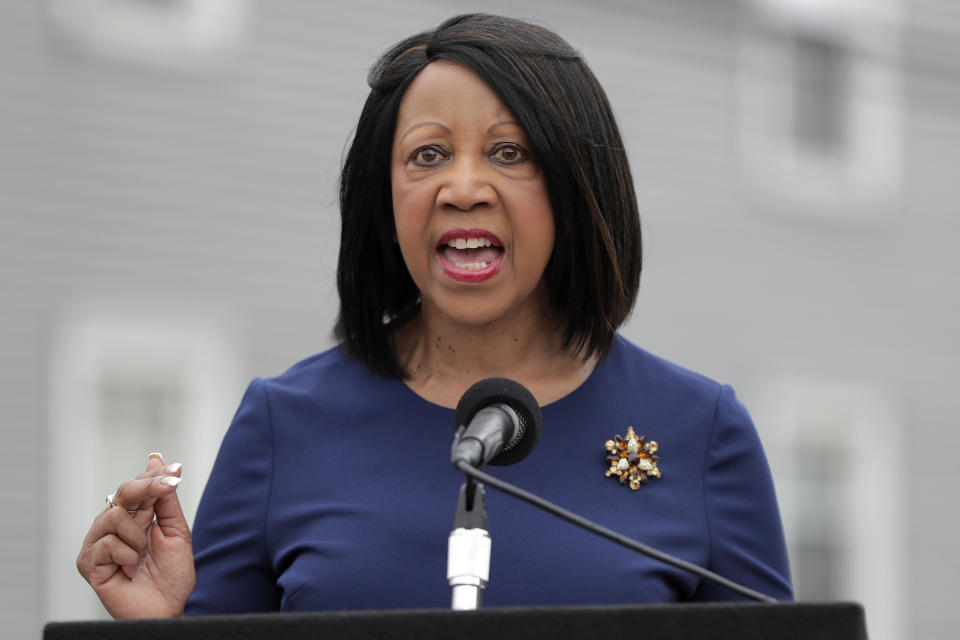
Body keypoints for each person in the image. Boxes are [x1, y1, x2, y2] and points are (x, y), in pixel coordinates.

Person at [77, 13, 792, 617]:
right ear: (385, 205)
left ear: (576, 189)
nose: (463, 187)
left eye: (509, 152)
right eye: (427, 155)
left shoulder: (700, 433)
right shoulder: (282, 425)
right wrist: (160, 632)